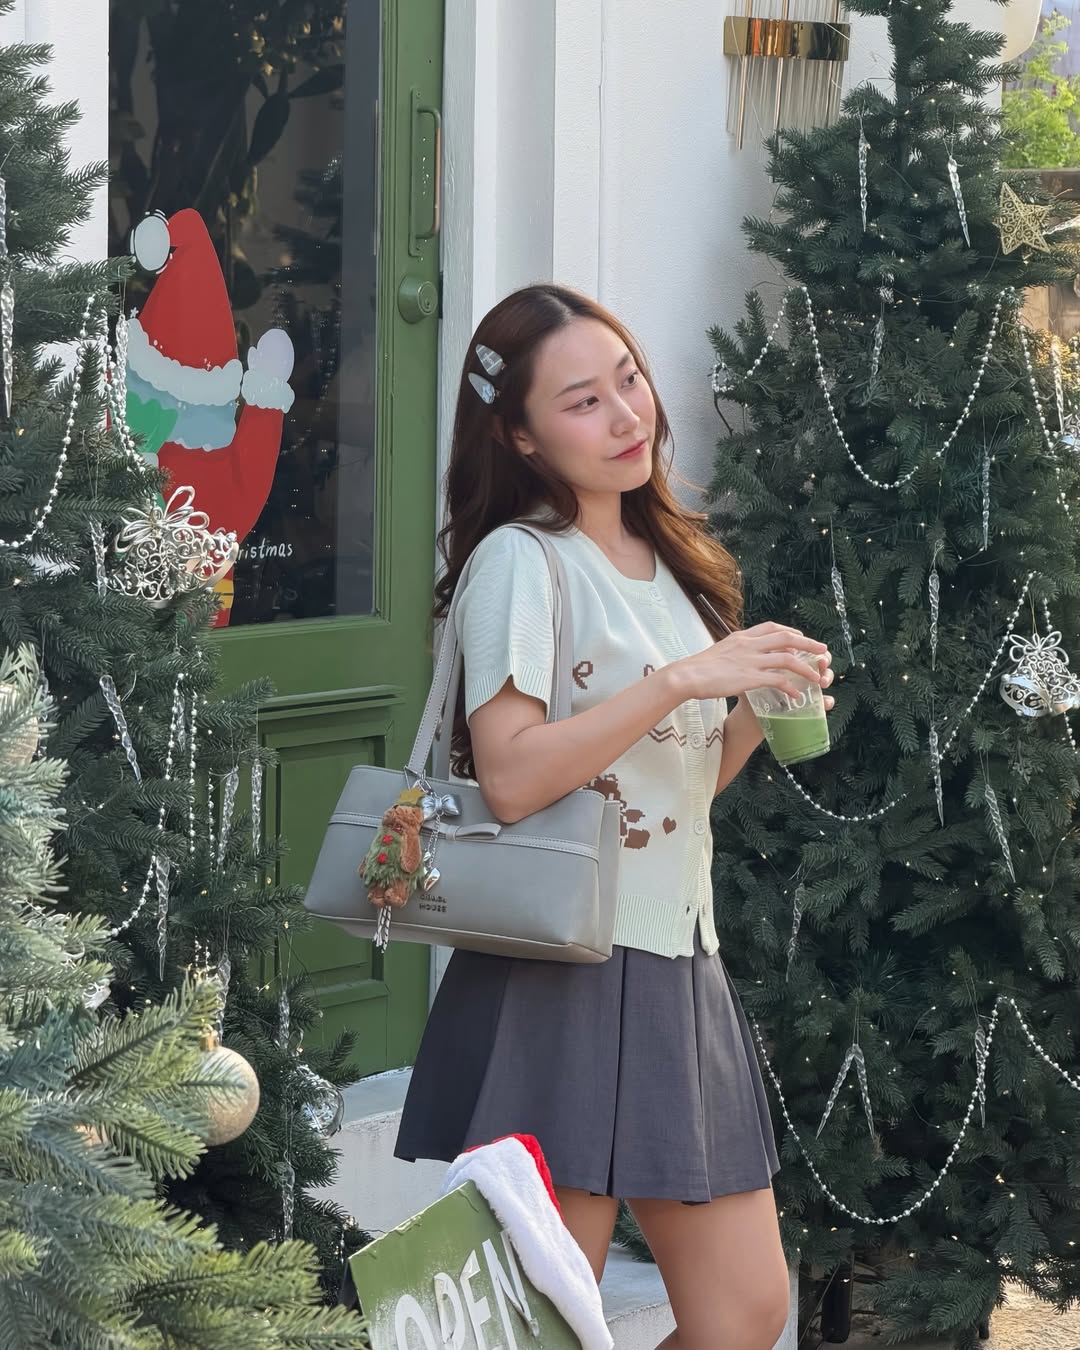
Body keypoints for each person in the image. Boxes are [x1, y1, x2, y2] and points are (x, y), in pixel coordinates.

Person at [395, 283, 834, 1350]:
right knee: (542, 1323)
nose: (627, 415)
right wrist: (684, 679)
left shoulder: (670, 561)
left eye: (627, 380)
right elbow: (511, 777)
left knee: (744, 1313)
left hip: (680, 958)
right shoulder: (521, 560)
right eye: (583, 401)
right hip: (562, 973)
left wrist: (757, 705)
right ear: (522, 436)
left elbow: (670, 793)